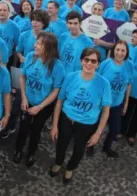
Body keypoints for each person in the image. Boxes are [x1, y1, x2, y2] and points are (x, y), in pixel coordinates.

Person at [49, 48, 111, 184]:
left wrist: (97, 134)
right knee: (61, 144)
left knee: (79, 149)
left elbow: (106, 111)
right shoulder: (70, 77)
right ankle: (58, 163)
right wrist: (54, 125)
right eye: (86, 60)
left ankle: (70, 168)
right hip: (67, 119)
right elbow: (60, 101)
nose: (89, 63)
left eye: (93, 61)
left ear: (98, 64)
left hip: (87, 125)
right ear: (81, 61)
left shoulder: (104, 84)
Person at [13, 32, 65, 167]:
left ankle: (31, 152)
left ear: (48, 48)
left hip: (44, 105)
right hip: (27, 100)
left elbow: (55, 91)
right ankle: (18, 150)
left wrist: (40, 107)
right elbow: (22, 77)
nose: (34, 45)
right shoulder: (30, 57)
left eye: (39, 43)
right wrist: (24, 98)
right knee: (23, 127)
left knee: (36, 129)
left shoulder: (58, 66)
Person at [97, 41, 133, 158]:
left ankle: (106, 147)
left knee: (115, 129)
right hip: (101, 103)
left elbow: (128, 85)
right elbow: (96, 81)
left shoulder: (129, 65)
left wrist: (126, 103)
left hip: (117, 103)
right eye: (117, 49)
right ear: (113, 50)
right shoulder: (105, 64)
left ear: (126, 52)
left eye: (123, 50)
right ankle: (90, 145)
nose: (120, 53)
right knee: (95, 126)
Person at [0, 1, 21, 66]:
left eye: (4, 10)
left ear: (9, 12)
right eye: (0, 10)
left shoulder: (15, 27)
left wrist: (14, 63)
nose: (2, 12)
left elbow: (17, 46)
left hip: (8, 59)